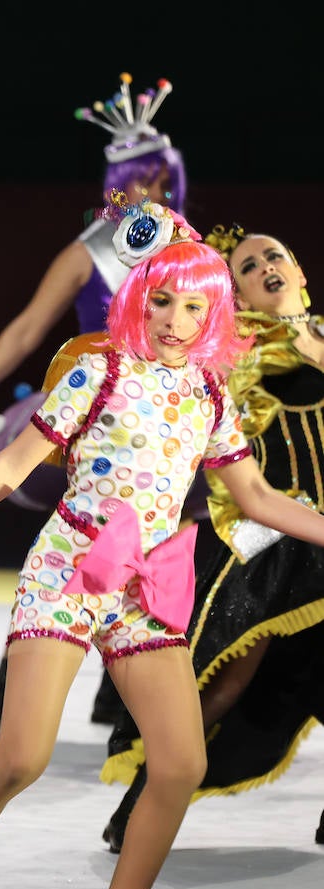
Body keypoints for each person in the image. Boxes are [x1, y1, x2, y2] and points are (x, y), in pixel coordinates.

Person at [0, 201, 324, 889]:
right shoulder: (100, 373)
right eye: (163, 301)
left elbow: (259, 496)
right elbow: (8, 471)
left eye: (193, 306)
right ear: (139, 300)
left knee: (181, 765)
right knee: (23, 757)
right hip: (70, 566)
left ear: (215, 313)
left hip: (148, 583)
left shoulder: (210, 395)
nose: (176, 320)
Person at [0, 74, 187, 731]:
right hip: (97, 414)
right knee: (86, 537)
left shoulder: (190, 257)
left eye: (158, 182)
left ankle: (125, 696)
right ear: (117, 186)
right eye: (136, 182)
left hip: (169, 421)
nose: (148, 195)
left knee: (159, 542)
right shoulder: (90, 253)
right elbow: (26, 328)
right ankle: (16, 685)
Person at [101, 226, 324, 852]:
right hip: (272, 537)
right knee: (223, 679)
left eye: (274, 255)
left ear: (299, 269)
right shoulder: (238, 351)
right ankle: (143, 801)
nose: (265, 267)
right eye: (248, 267)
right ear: (239, 293)